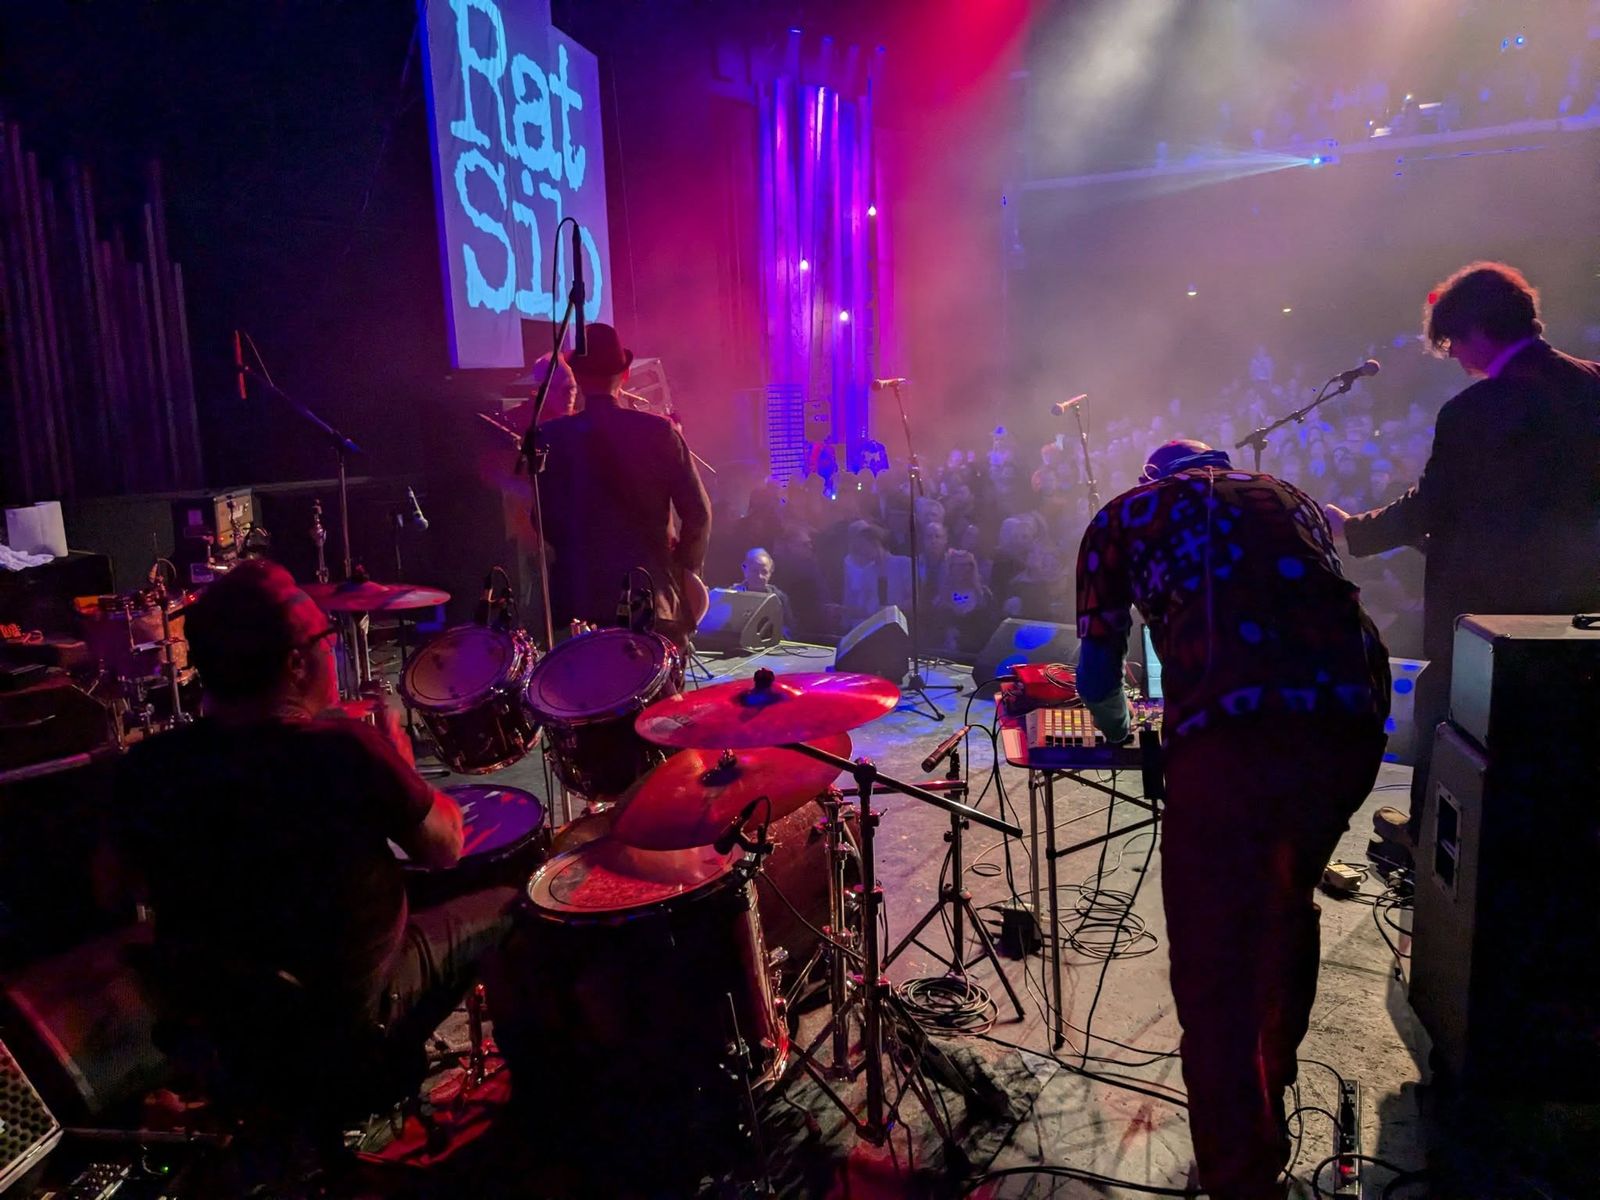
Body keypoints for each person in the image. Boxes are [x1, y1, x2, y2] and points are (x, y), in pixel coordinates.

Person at [1076, 439, 1390, 1200]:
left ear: (1150, 477)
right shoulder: (1288, 494)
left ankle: (1240, 1178)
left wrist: (1121, 731)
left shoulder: (1123, 514)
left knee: (1214, 962)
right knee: (1284, 901)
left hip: (1231, 736)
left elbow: (1096, 670)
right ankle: (1269, 1099)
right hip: (1350, 721)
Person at [112, 562, 511, 1069]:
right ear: (297, 664)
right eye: (327, 637)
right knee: (510, 905)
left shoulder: (150, 765)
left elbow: (119, 886)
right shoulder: (344, 749)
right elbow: (444, 847)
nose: (332, 649)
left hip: (223, 1029)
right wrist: (402, 766)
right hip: (345, 1025)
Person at [1324, 262, 1600, 839]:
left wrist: (1354, 531)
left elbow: (1433, 505)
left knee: (1451, 713)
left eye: (1451, 342)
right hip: (1580, 600)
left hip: (1487, 601)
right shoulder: (1593, 382)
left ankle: (1427, 839)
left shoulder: (1475, 410)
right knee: (1559, 722)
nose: (1452, 356)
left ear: (1476, 329)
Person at [535, 323, 713, 647]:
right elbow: (698, 513)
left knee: (587, 679)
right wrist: (682, 568)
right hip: (652, 594)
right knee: (658, 679)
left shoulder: (552, 437)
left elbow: (543, 517)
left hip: (579, 598)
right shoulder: (659, 432)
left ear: (577, 376)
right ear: (626, 374)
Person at [730, 546, 795, 636]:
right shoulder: (732, 595)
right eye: (754, 571)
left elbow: (788, 629)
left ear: (771, 572)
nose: (759, 576)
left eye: (764, 572)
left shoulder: (779, 598)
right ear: (745, 569)